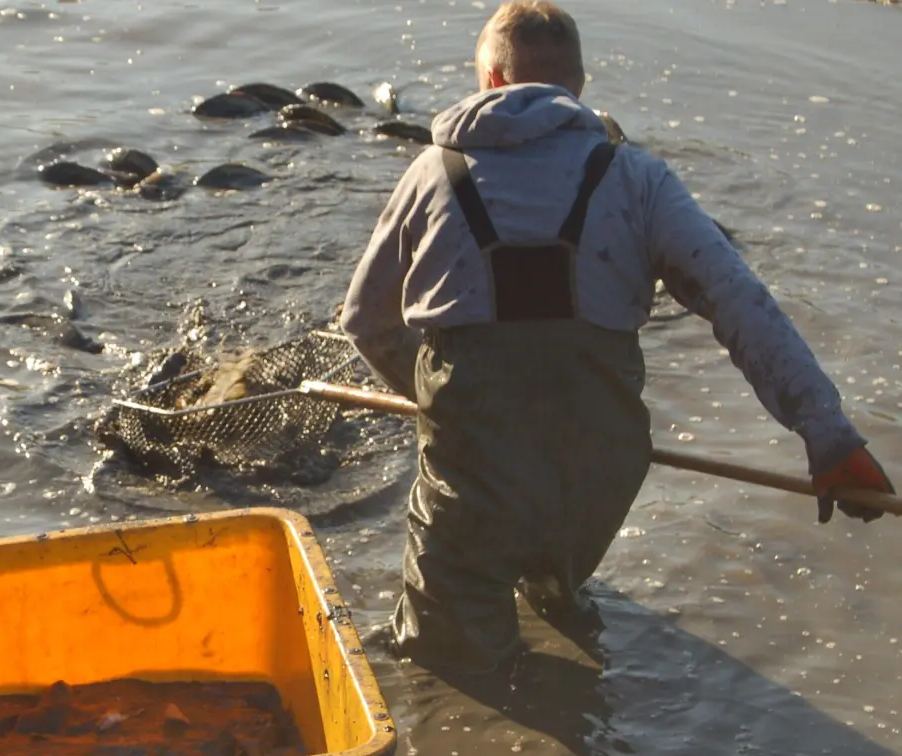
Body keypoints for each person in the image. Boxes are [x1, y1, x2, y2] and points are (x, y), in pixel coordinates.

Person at [338, 0, 894, 674]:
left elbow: (364, 320)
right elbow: (740, 303)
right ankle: (558, 601)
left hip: (474, 472)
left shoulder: (432, 172)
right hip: (594, 473)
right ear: (578, 85)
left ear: (490, 80)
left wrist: (434, 400)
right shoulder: (638, 178)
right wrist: (830, 439)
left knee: (447, 668)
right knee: (559, 589)